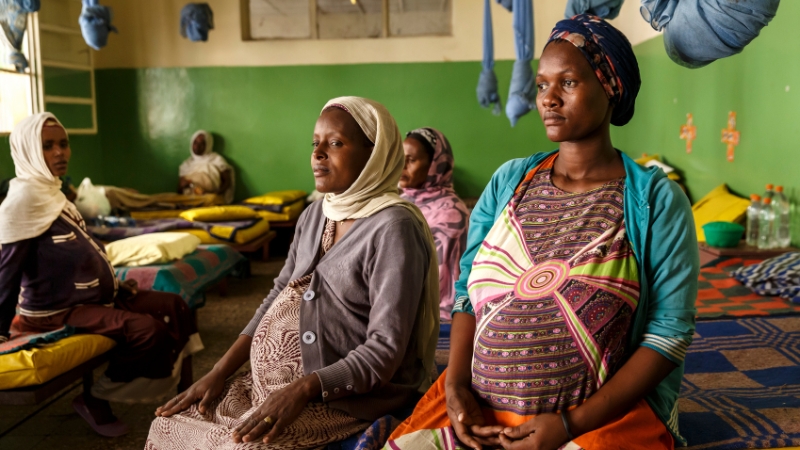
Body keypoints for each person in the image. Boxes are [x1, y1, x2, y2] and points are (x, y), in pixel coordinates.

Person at [386, 14, 698, 450]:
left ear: (610, 87)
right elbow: (465, 292)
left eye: (568, 83)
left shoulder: (655, 201)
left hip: (595, 420)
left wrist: (570, 425)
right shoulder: (510, 181)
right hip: (477, 408)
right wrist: (455, 385)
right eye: (541, 85)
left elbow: (668, 333)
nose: (548, 99)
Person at [147, 96, 440, 449]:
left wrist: (302, 388)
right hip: (266, 386)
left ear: (374, 153)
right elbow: (277, 296)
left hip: (342, 399)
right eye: (315, 143)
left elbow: (384, 349)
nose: (318, 154)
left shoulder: (394, 227)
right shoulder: (315, 214)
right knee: (167, 426)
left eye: (335, 143)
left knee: (243, 446)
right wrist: (218, 372)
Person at [0, 113, 202, 437]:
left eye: (63, 144)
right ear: (27, 150)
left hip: (93, 299)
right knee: (147, 331)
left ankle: (189, 394)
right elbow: (6, 271)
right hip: (56, 312)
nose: (60, 153)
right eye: (47, 146)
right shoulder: (21, 203)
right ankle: (95, 399)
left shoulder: (52, 193)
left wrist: (115, 284)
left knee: (174, 305)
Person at [400, 128, 469, 320]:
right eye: (400, 158)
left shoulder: (451, 215)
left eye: (411, 160)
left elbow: (441, 284)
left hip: (433, 318)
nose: (402, 166)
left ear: (435, 165)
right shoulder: (402, 202)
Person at [178, 130, 235, 203]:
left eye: (201, 144)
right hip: (190, 201)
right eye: (195, 143)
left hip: (210, 199)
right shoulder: (186, 165)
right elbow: (179, 190)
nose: (197, 147)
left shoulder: (217, 160)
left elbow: (227, 181)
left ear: (208, 145)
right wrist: (183, 185)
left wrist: (216, 193)